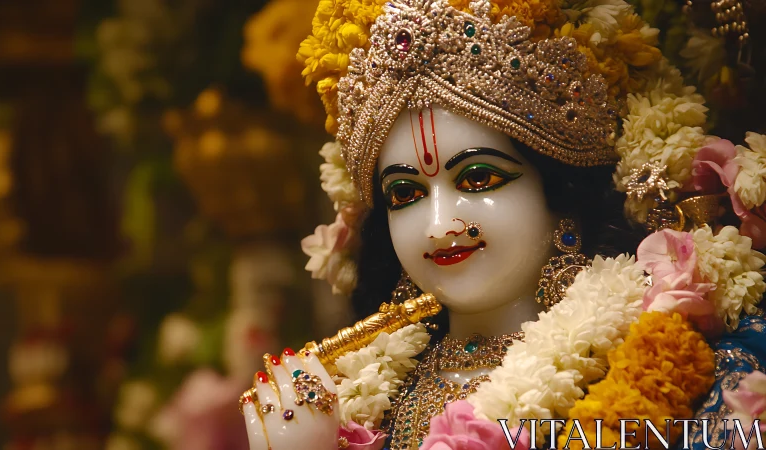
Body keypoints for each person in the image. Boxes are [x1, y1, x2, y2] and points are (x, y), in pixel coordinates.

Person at [240, 0, 766, 448]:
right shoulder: (363, 400)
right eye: (405, 193)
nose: (439, 224)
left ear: (560, 195)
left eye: (478, 180)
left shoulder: (680, 364)